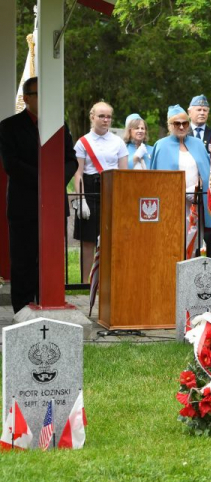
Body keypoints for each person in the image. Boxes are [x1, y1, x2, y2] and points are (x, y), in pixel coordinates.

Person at [0, 77, 77, 312]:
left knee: (49, 260)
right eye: (38, 94)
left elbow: (71, 160)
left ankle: (47, 303)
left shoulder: (58, 125)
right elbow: (12, 165)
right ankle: (22, 310)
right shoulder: (9, 126)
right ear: (27, 98)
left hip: (53, 204)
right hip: (24, 205)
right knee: (23, 261)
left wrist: (55, 182)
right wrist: (45, 180)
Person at [72, 101, 128, 281]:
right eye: (101, 116)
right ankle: (85, 283)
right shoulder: (83, 142)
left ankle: (110, 281)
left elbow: (123, 173)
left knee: (112, 239)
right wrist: (81, 199)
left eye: (108, 116)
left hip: (112, 188)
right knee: (88, 240)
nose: (106, 120)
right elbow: (78, 173)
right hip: (89, 188)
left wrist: (121, 198)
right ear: (92, 117)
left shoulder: (118, 142)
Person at [151, 105, 211, 256]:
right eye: (176, 123)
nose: (181, 126)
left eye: (184, 123)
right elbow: (154, 178)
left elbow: (207, 171)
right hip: (173, 202)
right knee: (174, 239)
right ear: (169, 125)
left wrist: (200, 185)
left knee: (196, 242)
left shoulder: (198, 144)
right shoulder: (161, 146)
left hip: (196, 201)